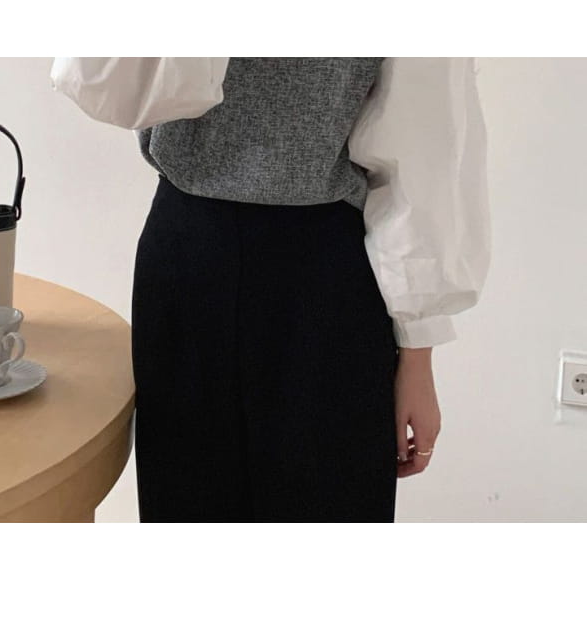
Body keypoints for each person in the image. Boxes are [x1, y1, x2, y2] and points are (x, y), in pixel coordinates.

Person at [51, 57, 491, 522]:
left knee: (332, 509)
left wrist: (418, 351)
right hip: (189, 253)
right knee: (187, 503)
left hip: (327, 272)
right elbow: (100, 83)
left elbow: (421, 141)